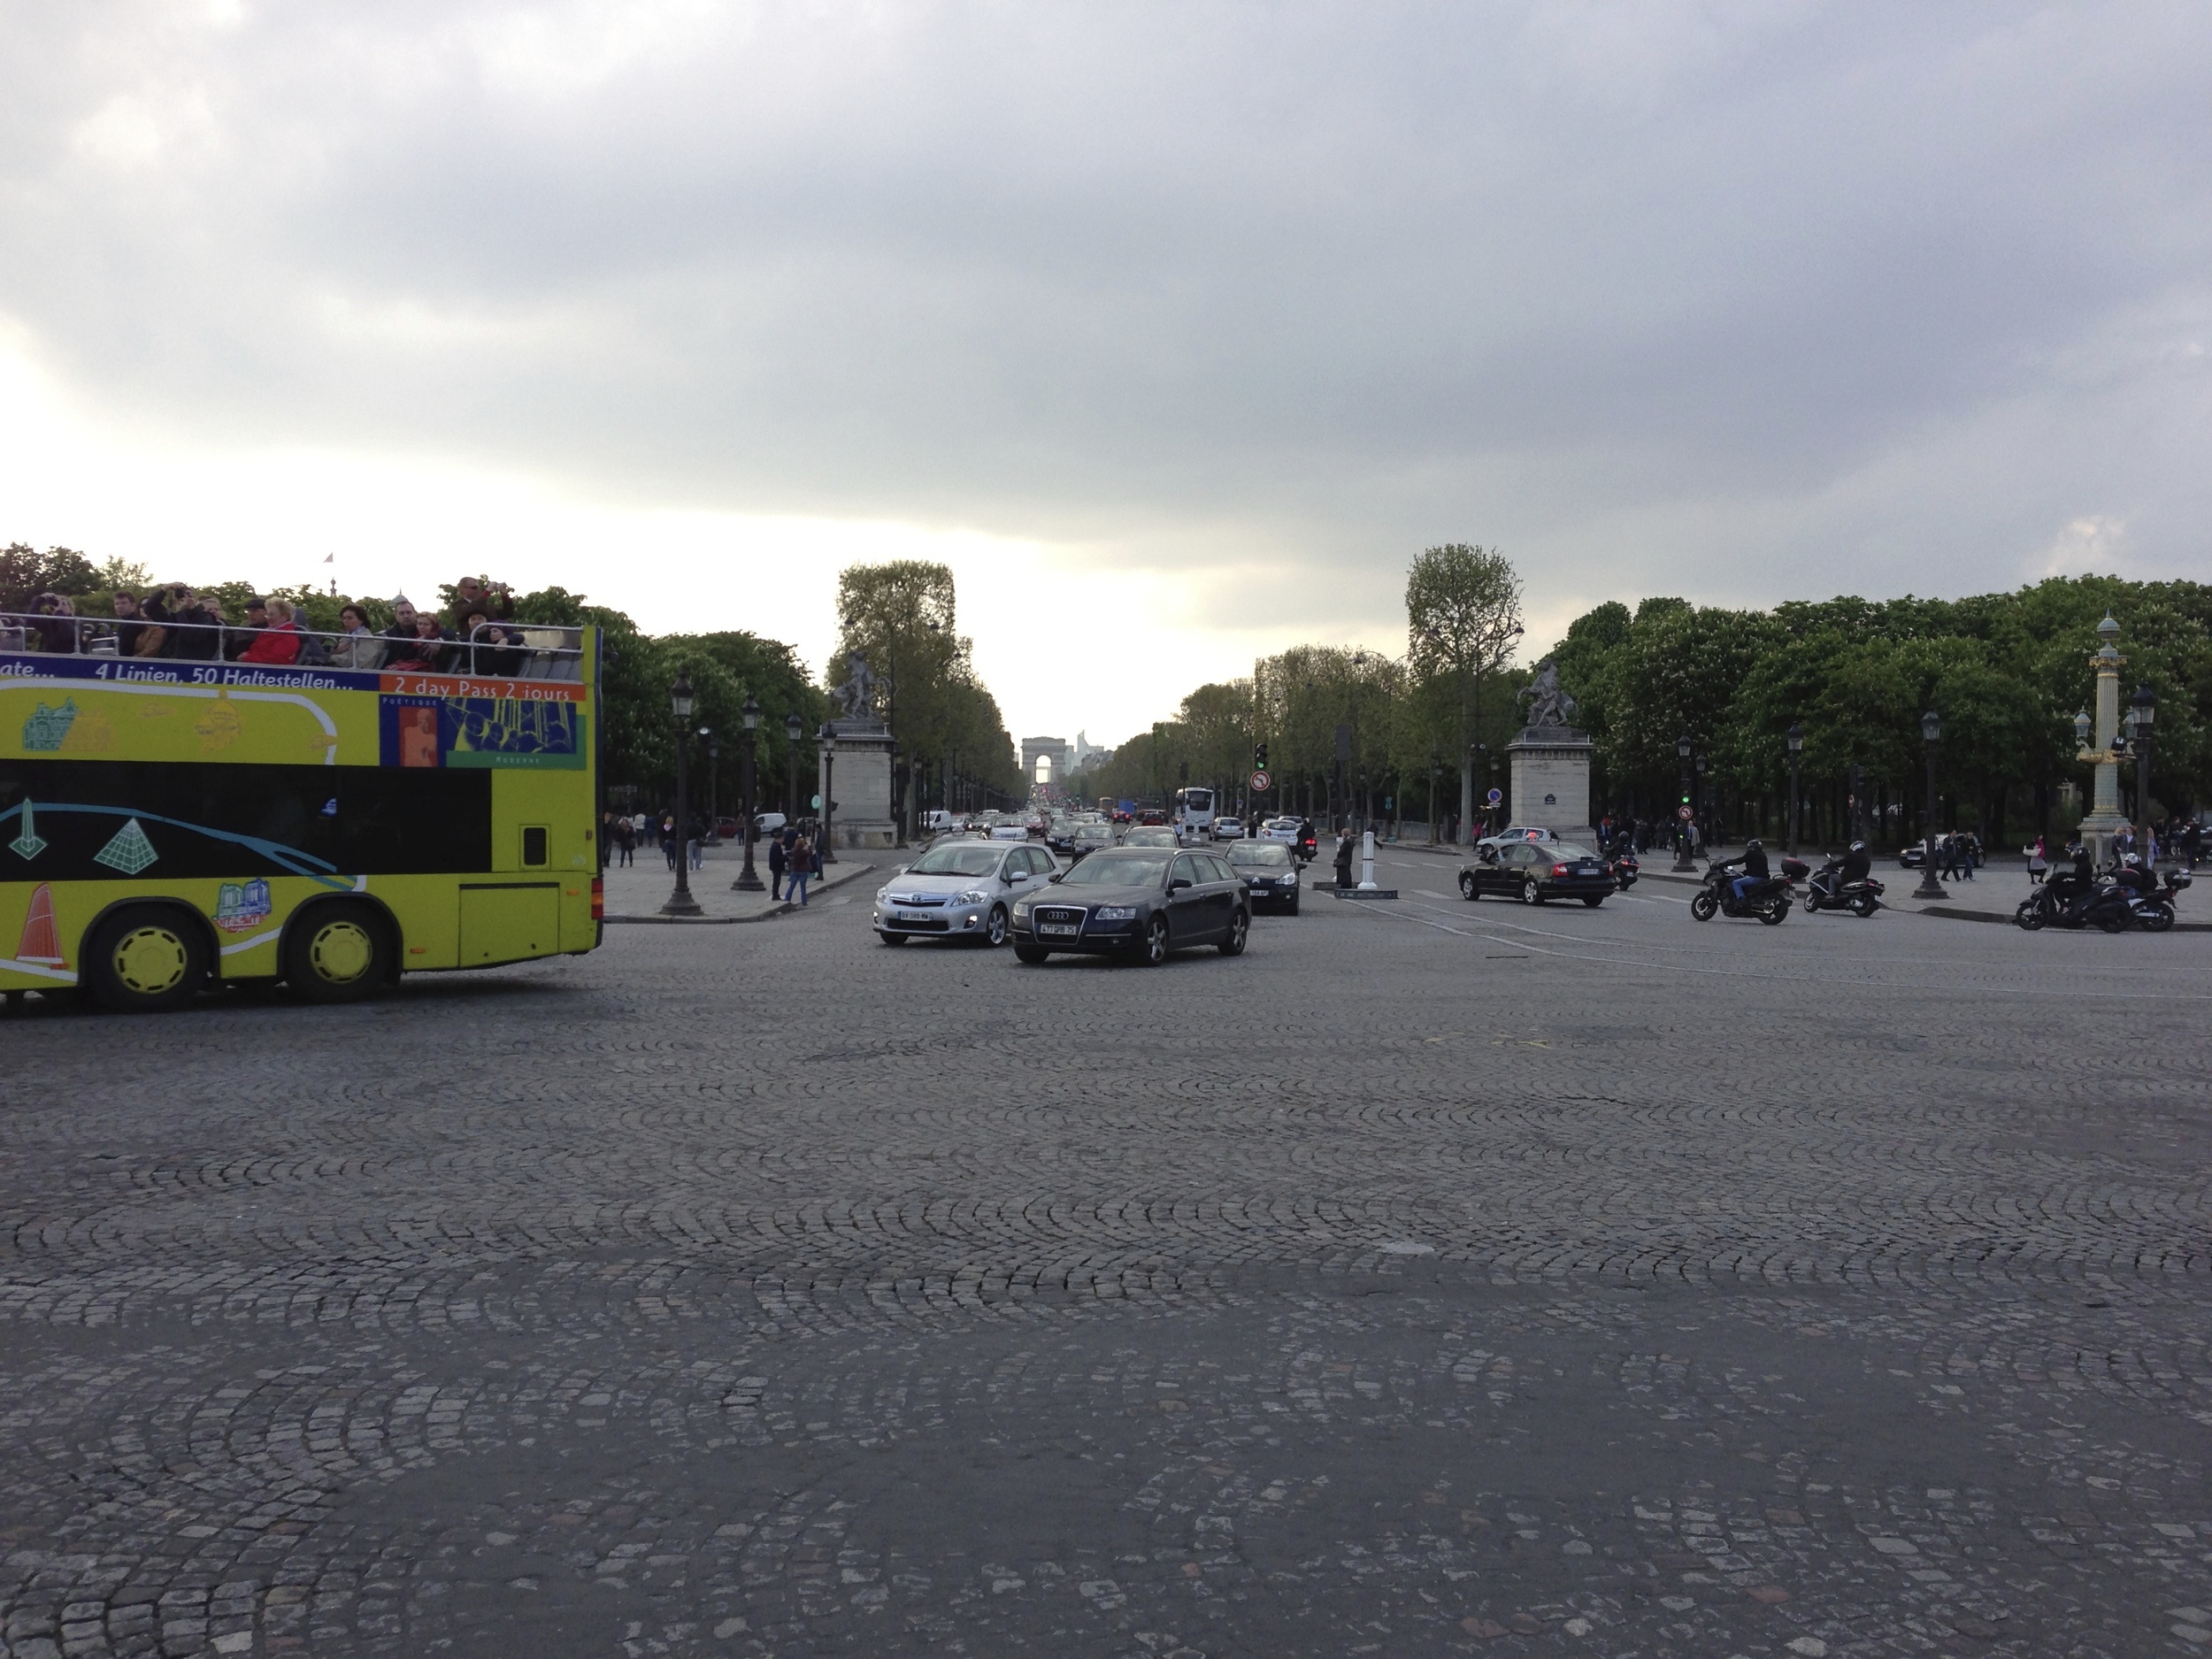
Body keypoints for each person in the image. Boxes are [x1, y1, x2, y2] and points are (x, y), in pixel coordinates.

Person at [239, 597, 304, 664]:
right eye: (268, 615)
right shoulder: (267, 633)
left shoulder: (288, 637)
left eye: (272, 615)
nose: (268, 618)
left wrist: (247, 657)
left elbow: (276, 659)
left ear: (285, 616)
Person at [333, 604, 386, 668]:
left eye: (350, 618)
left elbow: (356, 662)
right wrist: (336, 651)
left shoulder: (367, 639)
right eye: (344, 618)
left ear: (361, 620)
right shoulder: (346, 637)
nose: (346, 621)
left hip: (358, 672)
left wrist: (331, 657)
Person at [1724, 837, 1770, 903]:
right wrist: (1744, 872)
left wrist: (1726, 863)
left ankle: (1741, 900)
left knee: (1735, 883)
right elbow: (1756, 867)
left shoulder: (1752, 853)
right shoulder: (1763, 855)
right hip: (1764, 878)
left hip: (1756, 878)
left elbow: (1740, 860)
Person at [786, 828, 814, 904]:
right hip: (803, 870)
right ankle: (804, 901)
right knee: (803, 887)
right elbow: (810, 855)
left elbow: (791, 855)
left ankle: (787, 899)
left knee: (791, 886)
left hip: (794, 870)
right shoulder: (804, 852)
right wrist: (809, 846)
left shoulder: (793, 850)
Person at [767, 826, 787, 899]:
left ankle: (775, 894)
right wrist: (784, 858)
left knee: (776, 881)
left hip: (775, 866)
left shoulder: (775, 845)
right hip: (776, 866)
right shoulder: (776, 846)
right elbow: (777, 858)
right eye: (782, 839)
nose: (783, 841)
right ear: (779, 839)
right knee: (776, 881)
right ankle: (775, 895)